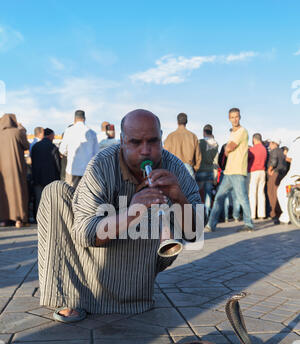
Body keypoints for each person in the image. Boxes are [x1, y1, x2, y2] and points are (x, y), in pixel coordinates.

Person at [37, 109, 201, 322]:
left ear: (161, 137)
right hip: (98, 250)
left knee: (167, 213)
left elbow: (195, 234)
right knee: (55, 191)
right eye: (135, 142)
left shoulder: (174, 167)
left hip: (139, 259)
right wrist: (130, 214)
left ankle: (129, 296)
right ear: (122, 141)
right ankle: (68, 296)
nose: (146, 151)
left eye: (153, 141)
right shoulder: (101, 164)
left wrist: (179, 198)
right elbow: (83, 232)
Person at [206, 108, 253, 232]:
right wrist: (227, 149)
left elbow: (229, 147)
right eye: (232, 117)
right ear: (229, 118)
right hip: (228, 172)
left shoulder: (242, 131)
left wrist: (227, 148)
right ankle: (211, 224)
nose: (234, 119)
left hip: (237, 171)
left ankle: (249, 224)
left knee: (242, 197)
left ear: (240, 117)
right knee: (219, 197)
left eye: (236, 116)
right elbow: (227, 149)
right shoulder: (233, 133)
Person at [0, 113, 30, 228]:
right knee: (18, 192)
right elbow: (26, 145)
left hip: (2, 170)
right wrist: (23, 130)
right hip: (16, 169)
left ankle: (4, 219)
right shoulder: (17, 132)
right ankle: (19, 219)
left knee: (4, 193)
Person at [59, 110, 99, 189]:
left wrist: (69, 154)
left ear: (75, 119)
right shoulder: (92, 133)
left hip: (72, 170)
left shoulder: (69, 131)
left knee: (70, 195)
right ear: (84, 119)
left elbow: (62, 150)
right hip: (87, 171)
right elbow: (96, 154)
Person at [30, 128, 61, 213]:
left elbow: (32, 162)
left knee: (38, 198)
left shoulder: (35, 146)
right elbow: (57, 164)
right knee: (50, 199)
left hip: (37, 177)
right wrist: (58, 177)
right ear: (50, 135)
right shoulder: (53, 147)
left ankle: (38, 217)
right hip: (51, 178)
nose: (54, 138)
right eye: (53, 136)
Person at [164, 113, 201, 178]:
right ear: (186, 122)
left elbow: (164, 155)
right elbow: (198, 157)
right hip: (189, 169)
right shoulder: (193, 136)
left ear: (177, 121)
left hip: (174, 169)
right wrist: (195, 169)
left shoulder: (170, 136)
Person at [195, 124, 219, 218]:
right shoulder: (215, 144)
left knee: (198, 194)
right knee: (208, 194)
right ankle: (208, 214)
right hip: (210, 170)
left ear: (204, 132)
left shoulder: (200, 142)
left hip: (200, 170)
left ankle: (199, 215)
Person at [277, 137, 300, 223]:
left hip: (296, 172)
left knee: (281, 190)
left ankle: (286, 216)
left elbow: (288, 158)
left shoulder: (297, 142)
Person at [267, 138, 288, 224]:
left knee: (272, 193)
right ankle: (279, 212)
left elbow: (273, 161)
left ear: (273, 143)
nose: (269, 145)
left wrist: (270, 169)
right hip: (281, 173)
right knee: (278, 193)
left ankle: (274, 213)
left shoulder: (274, 151)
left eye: (270, 143)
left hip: (274, 173)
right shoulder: (282, 152)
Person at [248, 133, 268, 220]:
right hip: (262, 171)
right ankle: (261, 214)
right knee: (261, 193)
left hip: (253, 171)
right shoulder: (264, 149)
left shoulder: (252, 149)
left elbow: (247, 158)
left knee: (252, 193)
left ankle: (252, 214)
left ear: (254, 139)